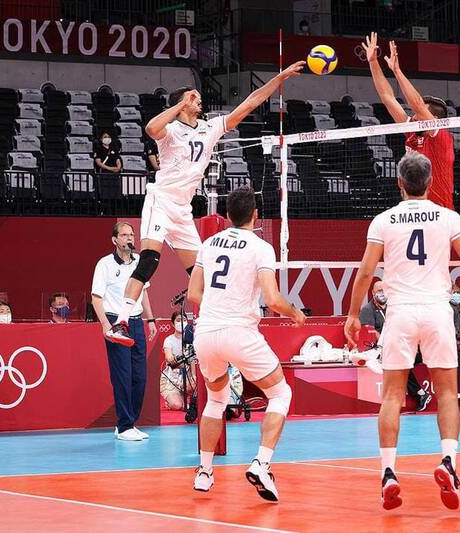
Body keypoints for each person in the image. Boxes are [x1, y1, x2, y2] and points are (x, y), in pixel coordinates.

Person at [105, 61, 305, 347]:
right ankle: (121, 322)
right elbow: (150, 128)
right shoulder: (171, 130)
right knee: (149, 260)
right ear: (182, 104)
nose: (199, 100)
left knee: (202, 274)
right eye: (193, 97)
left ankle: (218, 323)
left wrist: (281, 77)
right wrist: (179, 105)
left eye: (197, 96)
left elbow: (250, 103)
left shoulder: (210, 127)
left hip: (183, 210)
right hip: (160, 201)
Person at [344, 151, 460, 511]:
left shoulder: (383, 220)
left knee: (392, 397)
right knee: (447, 394)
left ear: (399, 182)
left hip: (400, 314)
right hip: (436, 312)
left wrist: (352, 314)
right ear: (430, 182)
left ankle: (388, 473)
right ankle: (448, 462)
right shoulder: (448, 217)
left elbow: (366, 272)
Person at [188, 186, 306, 500]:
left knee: (216, 401)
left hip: (206, 333)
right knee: (280, 393)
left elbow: (194, 294)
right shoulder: (260, 247)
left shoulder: (208, 244)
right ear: (255, 215)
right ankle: (261, 464)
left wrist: (219, 304)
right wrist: (294, 312)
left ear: (227, 215)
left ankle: (204, 472)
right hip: (239, 333)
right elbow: (272, 299)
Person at [361, 32, 455, 209]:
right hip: (412, 211)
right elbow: (387, 97)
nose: (415, 115)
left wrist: (397, 71)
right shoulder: (413, 130)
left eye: (421, 113)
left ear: (435, 119)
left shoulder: (442, 137)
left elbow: (417, 104)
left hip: (440, 213)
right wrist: (373, 62)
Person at [91, 222, 158, 441]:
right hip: (115, 321)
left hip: (137, 322)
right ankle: (124, 426)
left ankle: (129, 422)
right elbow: (96, 298)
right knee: (122, 375)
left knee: (140, 377)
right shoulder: (105, 264)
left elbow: (143, 293)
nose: (129, 238)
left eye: (131, 234)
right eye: (124, 235)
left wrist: (150, 319)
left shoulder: (139, 261)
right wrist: (105, 325)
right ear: (115, 240)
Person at [360, 280, 432, 412]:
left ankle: (425, 394)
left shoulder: (394, 308)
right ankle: (420, 393)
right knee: (400, 361)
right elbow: (370, 333)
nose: (382, 293)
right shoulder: (367, 310)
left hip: (404, 346)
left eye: (384, 290)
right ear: (373, 293)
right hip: (382, 351)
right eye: (379, 291)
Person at [161, 311, 196, 410]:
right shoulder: (168, 340)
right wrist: (174, 359)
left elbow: (193, 360)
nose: (181, 323)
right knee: (177, 405)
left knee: (196, 383)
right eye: (178, 320)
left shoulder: (191, 340)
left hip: (186, 377)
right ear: (173, 324)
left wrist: (193, 376)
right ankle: (175, 400)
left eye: (184, 320)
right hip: (171, 379)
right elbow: (169, 358)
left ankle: (186, 399)